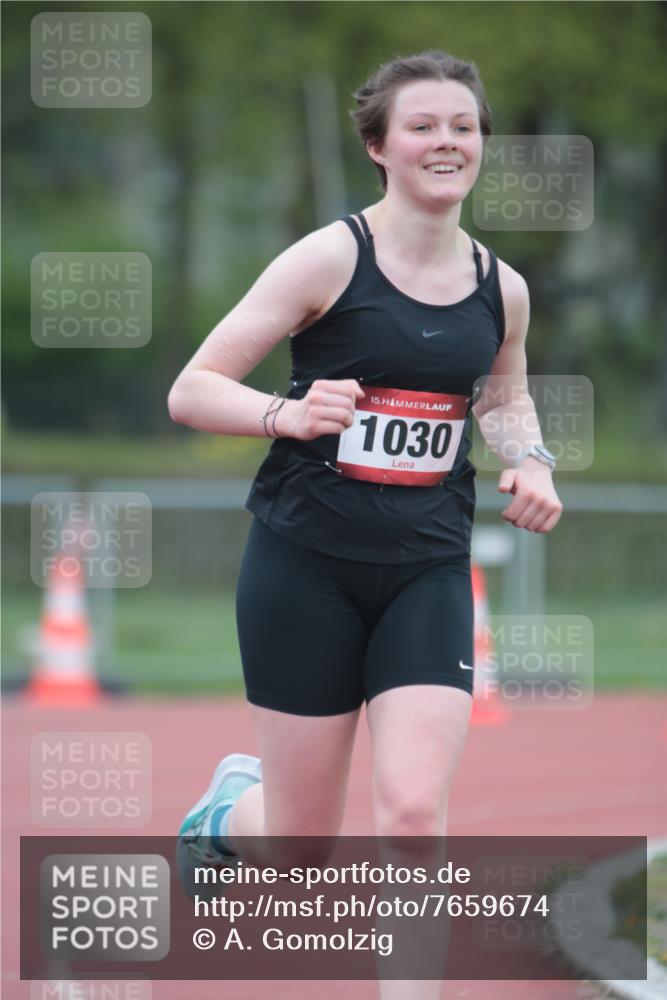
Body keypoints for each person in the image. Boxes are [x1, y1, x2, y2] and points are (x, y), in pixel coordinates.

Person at [168, 49, 562, 997]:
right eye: (422, 126)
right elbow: (192, 388)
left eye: (461, 126)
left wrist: (532, 457)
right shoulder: (328, 256)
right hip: (304, 564)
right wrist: (283, 413)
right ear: (380, 147)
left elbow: (503, 399)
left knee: (412, 808)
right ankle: (224, 818)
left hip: (427, 565)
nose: (446, 142)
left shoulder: (498, 286)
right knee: (302, 847)